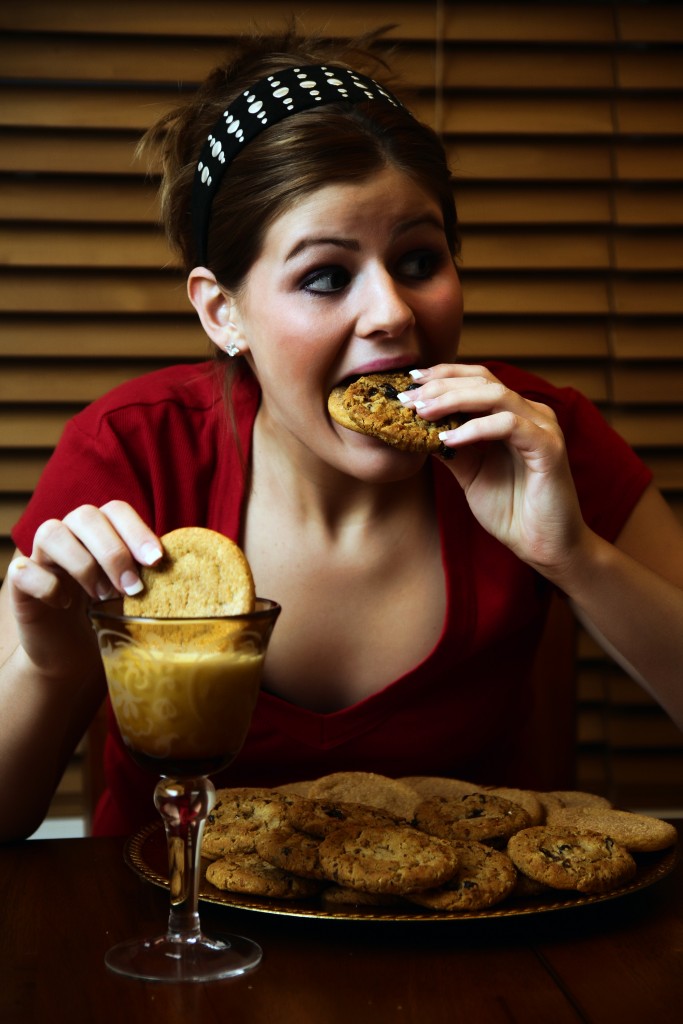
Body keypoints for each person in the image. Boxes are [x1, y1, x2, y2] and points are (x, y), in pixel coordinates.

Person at [1, 27, 682, 842]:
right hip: (163, 945)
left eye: (420, 260)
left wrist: (572, 555)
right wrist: (50, 668)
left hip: (468, 959)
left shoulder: (540, 440)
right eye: (325, 276)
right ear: (223, 311)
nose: (392, 313)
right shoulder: (133, 453)